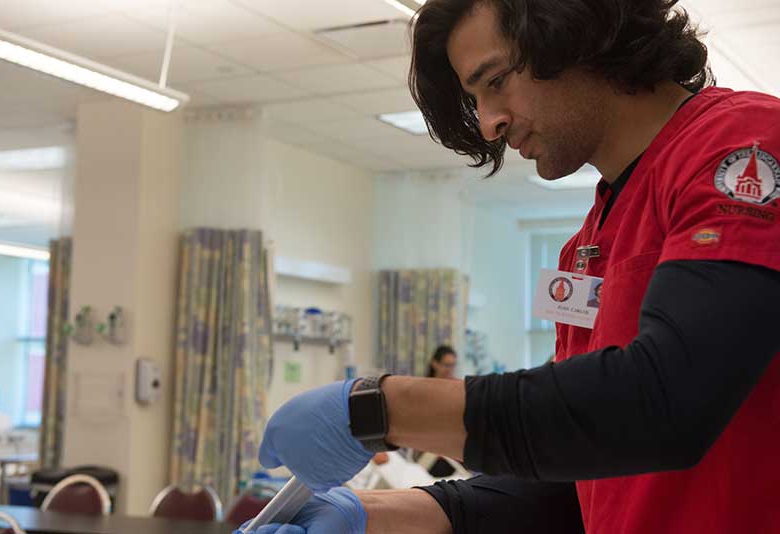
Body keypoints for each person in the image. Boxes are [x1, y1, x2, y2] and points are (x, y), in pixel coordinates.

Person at [243, 1, 780, 533]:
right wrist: (375, 514)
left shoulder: (743, 148)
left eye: (496, 80)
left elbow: (669, 399)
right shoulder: (586, 247)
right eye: (475, 98)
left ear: (577, 31)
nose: (489, 122)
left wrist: (381, 409)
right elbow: (576, 473)